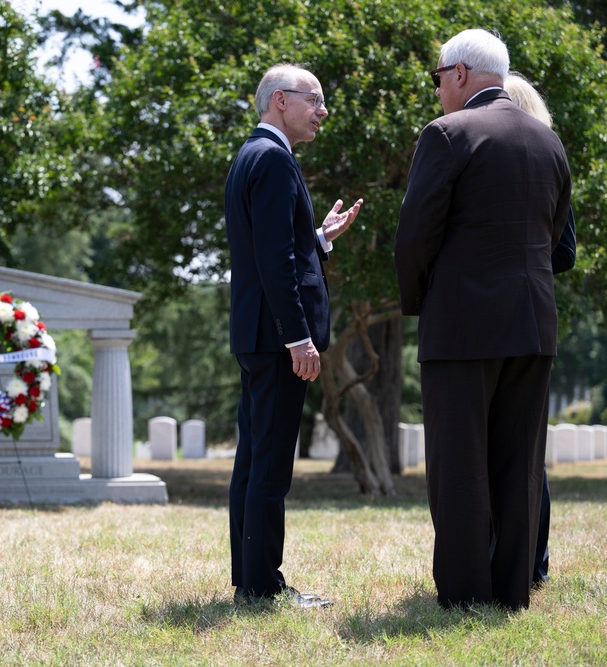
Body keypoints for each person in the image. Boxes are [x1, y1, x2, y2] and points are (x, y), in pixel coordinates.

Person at [394, 30, 572, 611]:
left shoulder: (447, 134)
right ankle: (512, 591)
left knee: (460, 464)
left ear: (462, 73)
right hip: (533, 325)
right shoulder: (549, 142)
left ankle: (467, 593)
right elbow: (557, 239)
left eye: (438, 76)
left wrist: (422, 301)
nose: (438, 87)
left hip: (462, 326)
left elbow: (415, 236)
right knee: (519, 463)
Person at [225, 63, 363, 608]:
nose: (323, 112)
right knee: (270, 464)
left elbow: (281, 248)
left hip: (257, 334)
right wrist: (298, 338)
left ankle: (250, 581)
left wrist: (319, 239)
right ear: (280, 100)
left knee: (254, 460)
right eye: (316, 100)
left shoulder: (253, 155)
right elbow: (275, 262)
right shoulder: (275, 160)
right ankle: (262, 587)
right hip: (276, 338)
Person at [503, 71, 578, 587]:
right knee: (526, 451)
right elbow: (566, 251)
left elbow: (565, 250)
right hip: (533, 314)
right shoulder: (548, 158)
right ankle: (532, 565)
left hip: (502, 317)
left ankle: (523, 562)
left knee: (510, 449)